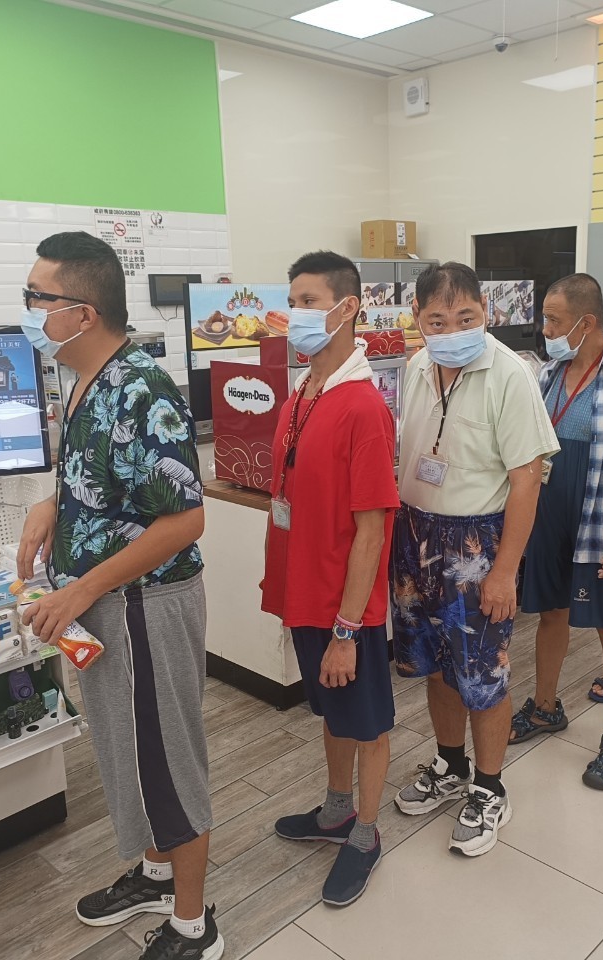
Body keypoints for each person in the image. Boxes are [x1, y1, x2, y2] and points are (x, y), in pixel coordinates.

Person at [15, 232, 222, 960]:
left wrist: (81, 591)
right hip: (105, 601)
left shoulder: (141, 390)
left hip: (144, 606)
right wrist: (52, 503)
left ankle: (194, 925)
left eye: (37, 297)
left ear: (84, 311)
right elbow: (107, 481)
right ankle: (157, 875)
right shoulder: (81, 380)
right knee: (128, 752)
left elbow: (185, 519)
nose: (28, 310)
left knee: (166, 759)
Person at [391, 262, 559, 856]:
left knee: (484, 673)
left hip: (477, 543)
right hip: (415, 535)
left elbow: (527, 479)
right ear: (418, 318)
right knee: (436, 665)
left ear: (485, 313)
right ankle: (450, 764)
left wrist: (505, 570)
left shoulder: (509, 374)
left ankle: (489, 787)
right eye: (438, 320)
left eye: (466, 317)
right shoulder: (416, 367)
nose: (453, 330)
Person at [261, 251, 399, 907]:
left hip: (349, 608)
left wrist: (347, 630)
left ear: (347, 309)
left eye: (309, 301)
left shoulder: (363, 407)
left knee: (366, 722)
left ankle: (365, 834)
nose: (296, 313)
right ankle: (336, 809)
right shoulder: (303, 394)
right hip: (307, 594)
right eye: (293, 300)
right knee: (333, 713)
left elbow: (371, 532)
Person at [510, 274, 603, 791]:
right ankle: (545, 706)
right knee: (550, 614)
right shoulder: (548, 373)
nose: (546, 330)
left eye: (554, 321)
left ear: (588, 322)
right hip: (548, 509)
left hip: (602, 515)